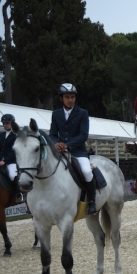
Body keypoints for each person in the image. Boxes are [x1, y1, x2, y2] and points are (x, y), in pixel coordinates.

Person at [49, 83, 98, 214]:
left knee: (87, 172)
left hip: (78, 151)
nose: (70, 100)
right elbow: (53, 134)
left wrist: (68, 145)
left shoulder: (82, 113)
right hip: (60, 151)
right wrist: (55, 143)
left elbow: (83, 135)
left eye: (72, 97)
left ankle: (92, 201)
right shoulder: (56, 114)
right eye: (67, 97)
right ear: (61, 98)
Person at [0, 114, 24, 202]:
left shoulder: (16, 135)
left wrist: (5, 161)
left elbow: (14, 151)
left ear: (12, 123)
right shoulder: (1, 135)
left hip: (11, 161)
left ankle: (19, 194)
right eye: (4, 123)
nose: (5, 125)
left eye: (7, 123)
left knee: (12, 175)